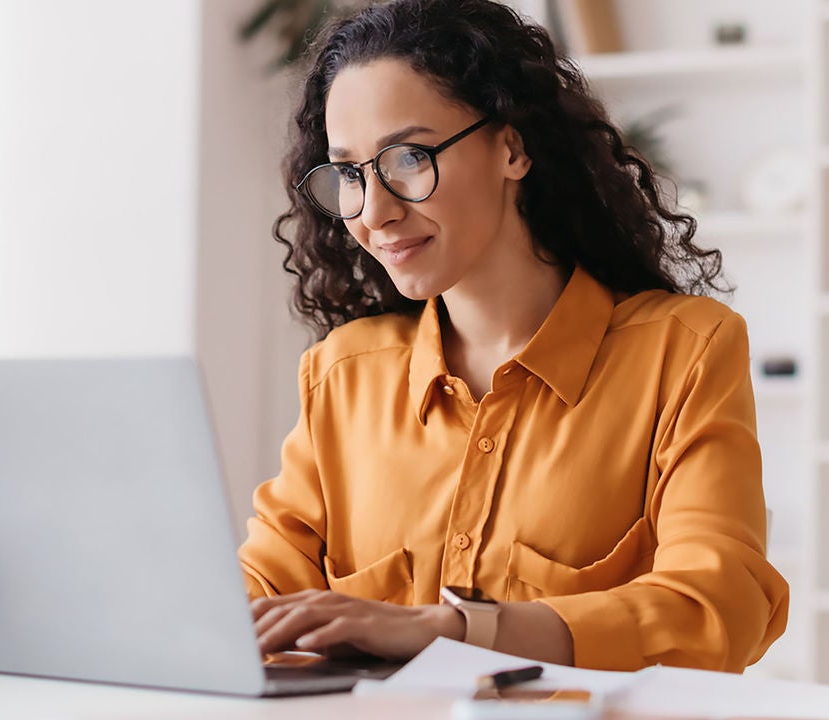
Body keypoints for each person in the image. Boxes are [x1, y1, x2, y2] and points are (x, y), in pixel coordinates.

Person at [238, 0, 788, 672]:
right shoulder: (345, 373)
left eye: (408, 156)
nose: (374, 212)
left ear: (512, 147)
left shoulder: (684, 353)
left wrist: (453, 630)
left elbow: (717, 606)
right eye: (349, 173)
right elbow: (259, 599)